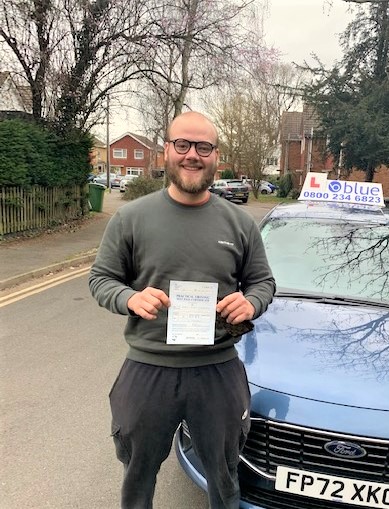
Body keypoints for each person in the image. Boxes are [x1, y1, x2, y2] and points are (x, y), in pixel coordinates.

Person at [89, 111, 276, 509]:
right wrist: (129, 299)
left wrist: (252, 302)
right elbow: (101, 280)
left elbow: (263, 283)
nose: (193, 155)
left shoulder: (240, 223)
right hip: (148, 369)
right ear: (166, 151)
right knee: (137, 474)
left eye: (203, 147)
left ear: (216, 156)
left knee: (224, 477)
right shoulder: (131, 218)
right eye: (183, 145)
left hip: (217, 370)